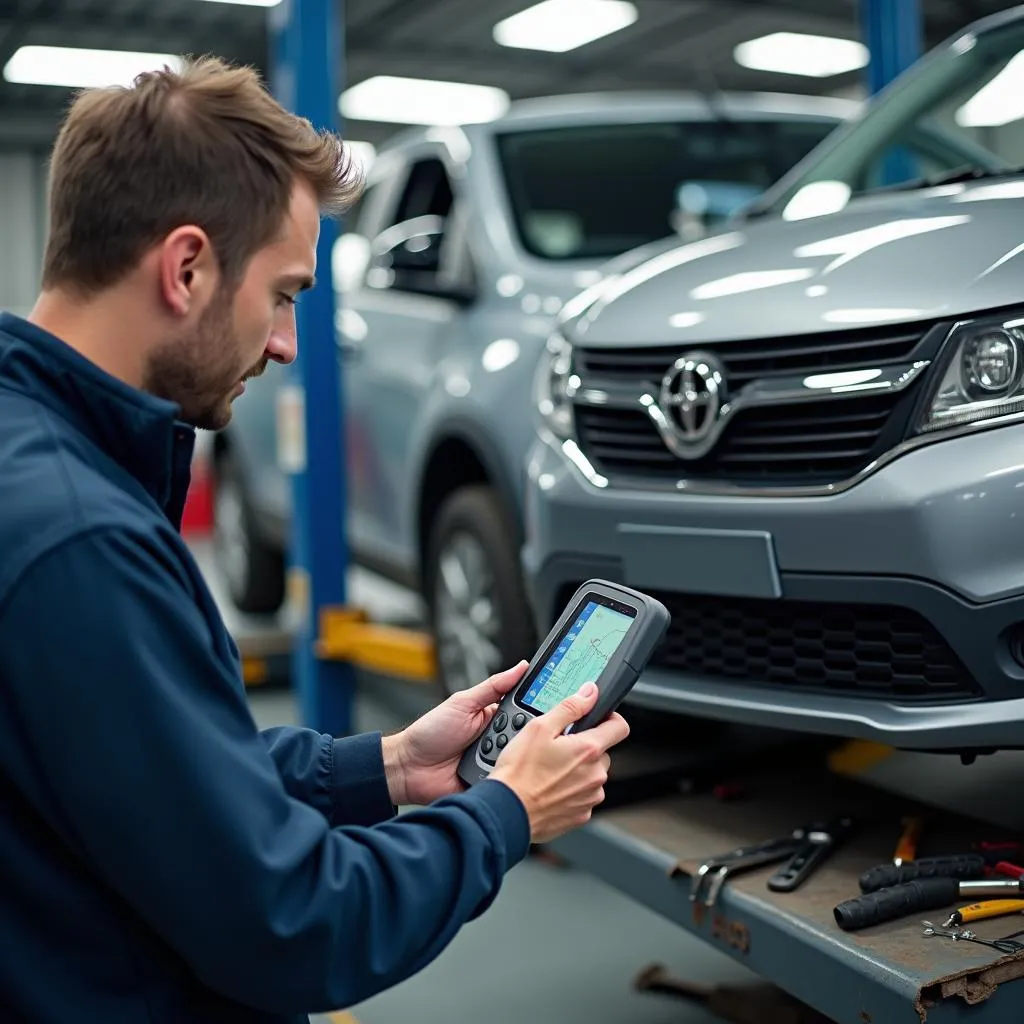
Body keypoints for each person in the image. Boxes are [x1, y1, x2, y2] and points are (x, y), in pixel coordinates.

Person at [0, 55, 631, 1022]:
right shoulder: (80, 541)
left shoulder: (34, 459)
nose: (289, 344)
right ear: (186, 268)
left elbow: (155, 777)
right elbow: (290, 921)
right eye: (286, 293)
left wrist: (390, 767)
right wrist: (504, 814)